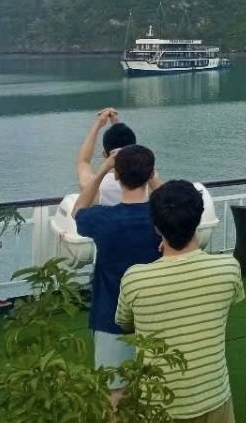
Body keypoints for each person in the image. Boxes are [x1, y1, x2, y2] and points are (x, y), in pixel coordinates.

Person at [116, 180, 244, 423]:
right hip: (214, 395)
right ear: (198, 219)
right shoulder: (228, 268)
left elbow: (125, 324)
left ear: (157, 227)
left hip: (157, 404)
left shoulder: (135, 279)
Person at [73, 144, 162, 404]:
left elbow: (78, 211)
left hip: (109, 318)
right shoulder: (162, 220)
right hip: (154, 317)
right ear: (150, 174)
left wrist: (102, 169)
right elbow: (174, 205)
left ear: (117, 176)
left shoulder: (103, 219)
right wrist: (154, 179)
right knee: (155, 391)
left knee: (114, 395)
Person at [75, 107, 139, 207]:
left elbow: (83, 161)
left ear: (105, 154)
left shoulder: (93, 186)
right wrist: (117, 126)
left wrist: (98, 124)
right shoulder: (145, 184)